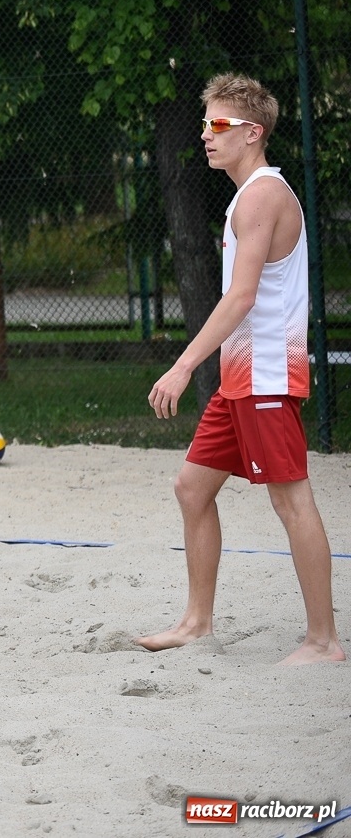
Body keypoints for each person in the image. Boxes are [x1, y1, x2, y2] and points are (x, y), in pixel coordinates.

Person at [137, 74, 343, 666]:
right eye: (204, 123)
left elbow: (242, 297)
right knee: (192, 487)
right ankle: (197, 622)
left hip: (267, 374)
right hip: (241, 377)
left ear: (253, 133)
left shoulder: (261, 195)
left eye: (218, 125)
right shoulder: (246, 193)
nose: (206, 134)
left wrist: (181, 367)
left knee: (292, 501)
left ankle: (324, 642)